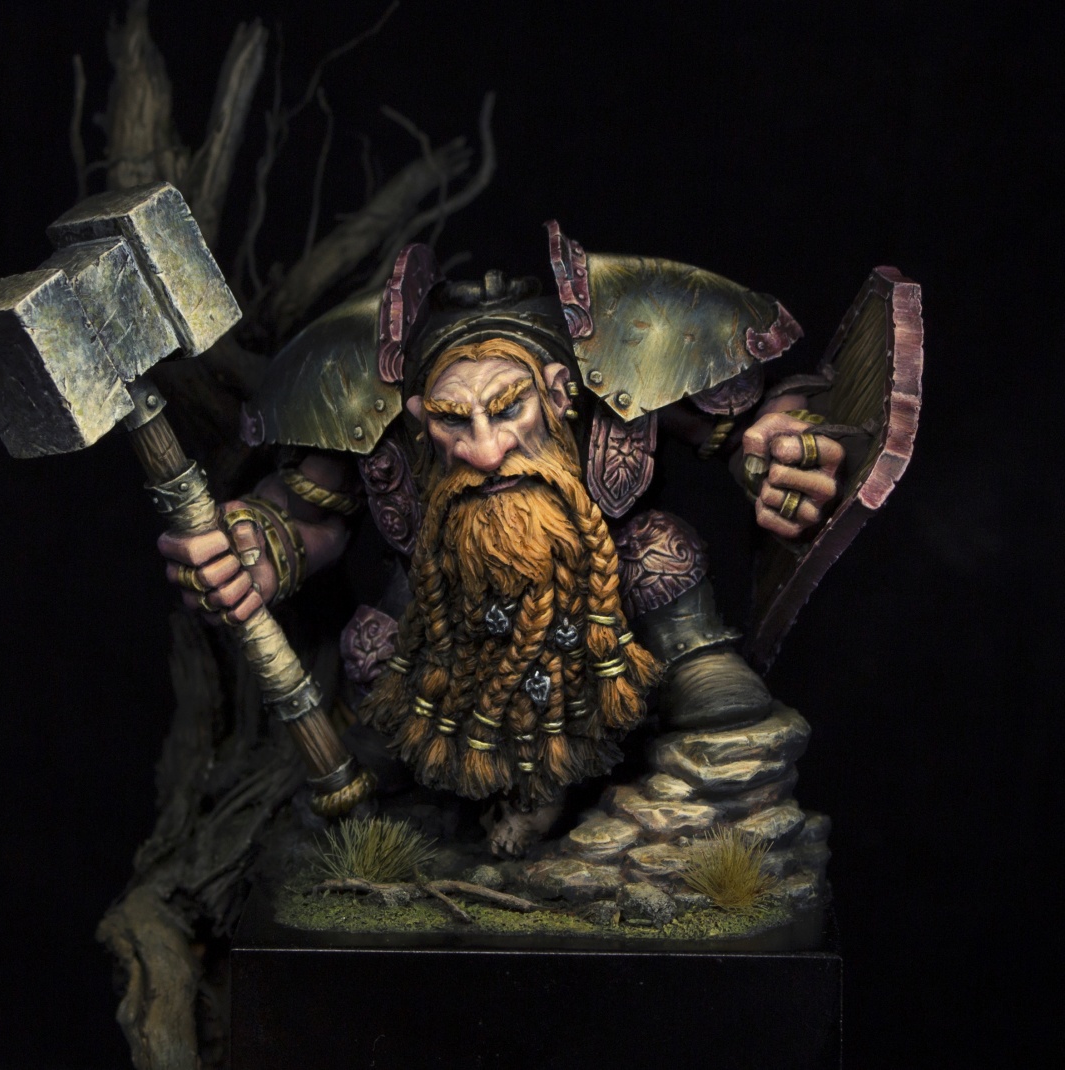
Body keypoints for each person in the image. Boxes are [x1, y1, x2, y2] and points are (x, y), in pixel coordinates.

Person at [159, 228, 845, 856]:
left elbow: (744, 421)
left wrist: (781, 448)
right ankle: (432, 786)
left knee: (658, 549)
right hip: (440, 634)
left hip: (602, 622)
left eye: (509, 409)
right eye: (454, 422)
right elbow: (307, 513)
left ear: (557, 393)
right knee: (378, 654)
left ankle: (695, 666)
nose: (485, 452)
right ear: (420, 416)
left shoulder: (607, 385)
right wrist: (253, 548)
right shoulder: (379, 409)